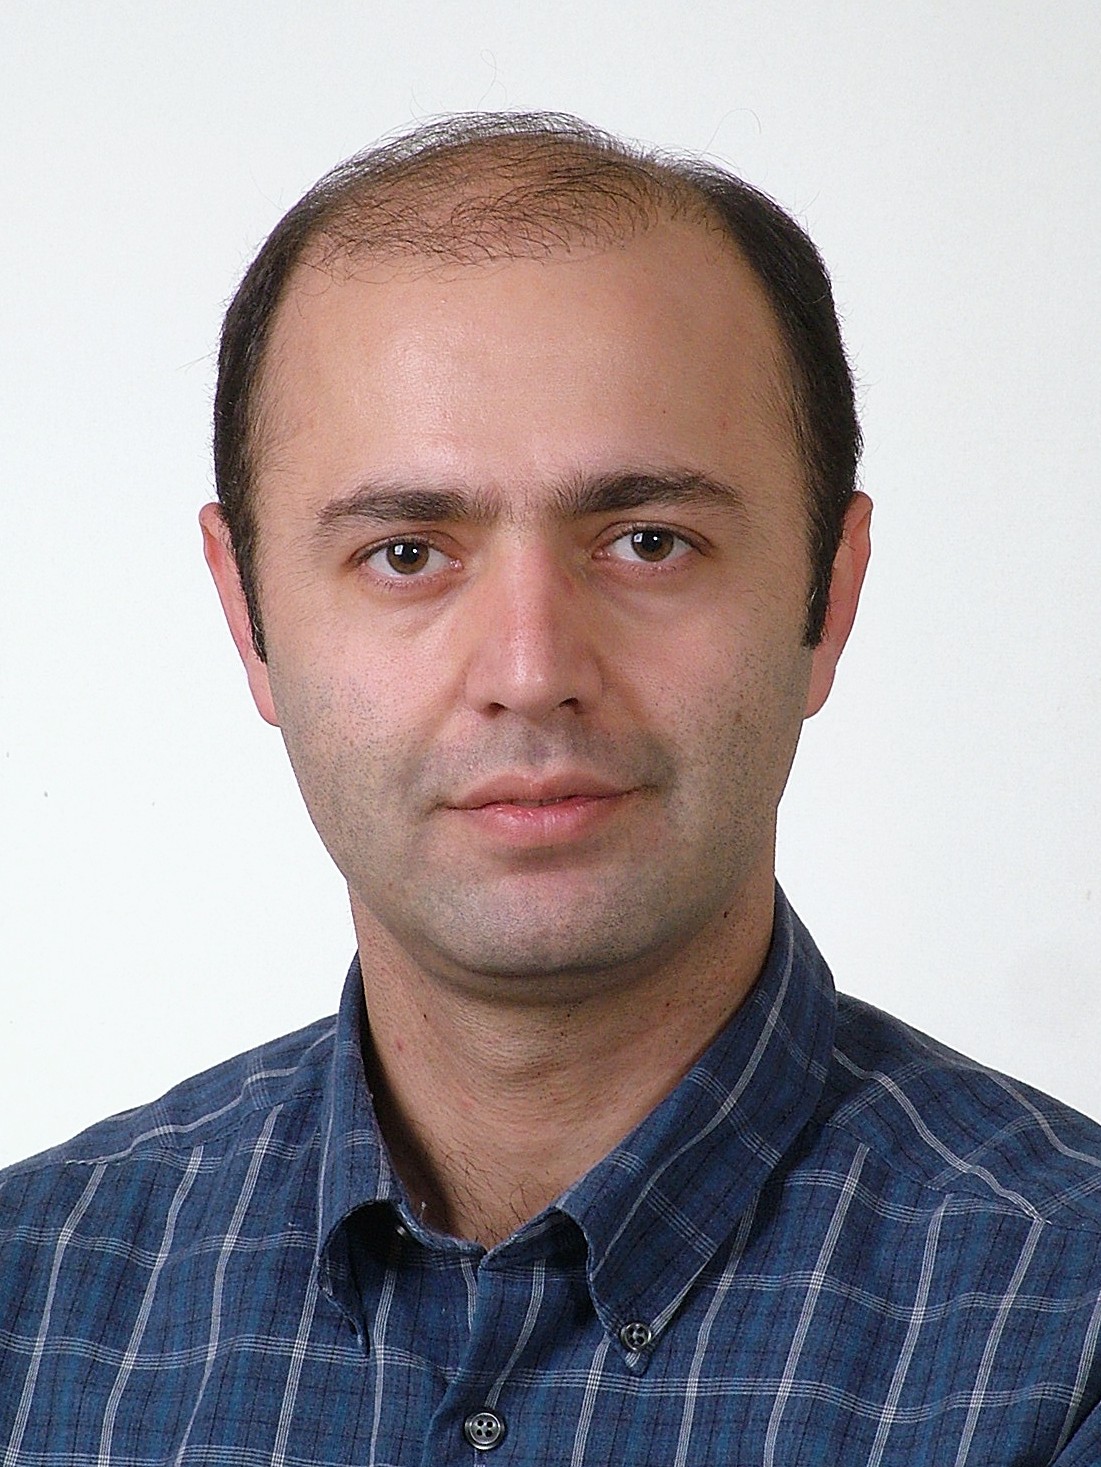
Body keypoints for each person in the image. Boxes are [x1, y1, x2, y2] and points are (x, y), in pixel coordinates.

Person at [2, 112, 1100, 1465]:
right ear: (248, 616)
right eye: (407, 553)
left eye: (649, 541)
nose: (530, 674)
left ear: (828, 595)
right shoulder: (26, 1308)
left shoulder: (1071, 1334)